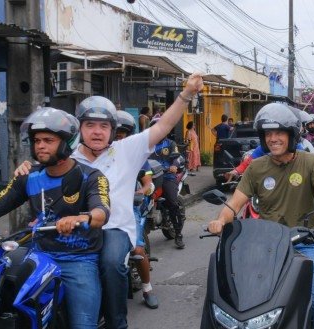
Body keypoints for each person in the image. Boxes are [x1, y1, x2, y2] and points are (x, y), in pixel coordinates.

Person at [14, 73, 203, 329]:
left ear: (112, 130)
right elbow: (42, 160)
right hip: (72, 232)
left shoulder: (127, 150)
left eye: (103, 126)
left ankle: (117, 323)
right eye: (90, 125)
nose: (97, 132)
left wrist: (186, 94)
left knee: (112, 264)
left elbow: (163, 126)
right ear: (79, 129)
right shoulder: (67, 156)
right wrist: (26, 167)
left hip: (113, 228)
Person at [0, 108, 110, 328]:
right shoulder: (29, 177)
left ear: (66, 142)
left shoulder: (90, 176)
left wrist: (80, 219)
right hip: (38, 256)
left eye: (48, 140)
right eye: (36, 140)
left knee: (83, 325)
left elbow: (101, 212)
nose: (40, 146)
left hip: (77, 260)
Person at [208, 103, 314, 329]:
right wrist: (221, 220)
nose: (273, 138)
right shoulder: (257, 167)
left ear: (292, 135)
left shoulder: (310, 162)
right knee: (244, 304)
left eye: (279, 132)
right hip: (264, 246)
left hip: (305, 243)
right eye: (268, 134)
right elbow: (234, 204)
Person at [115, 110, 159, 309]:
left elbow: (148, 183)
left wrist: (140, 191)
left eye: (121, 135)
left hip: (128, 206)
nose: (117, 139)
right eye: (114, 135)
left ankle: (147, 288)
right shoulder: (94, 154)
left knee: (137, 248)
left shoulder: (136, 156)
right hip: (101, 210)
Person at [150, 118, 187, 249]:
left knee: (172, 202)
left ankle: (178, 234)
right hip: (149, 178)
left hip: (166, 176)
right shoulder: (147, 146)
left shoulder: (170, 143)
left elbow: (177, 157)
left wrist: (173, 165)